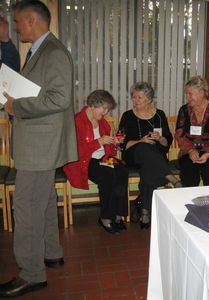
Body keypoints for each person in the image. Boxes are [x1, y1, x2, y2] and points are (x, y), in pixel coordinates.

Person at [0, 1, 77, 298]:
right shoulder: (41, 50)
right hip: (40, 142)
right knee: (43, 199)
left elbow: (59, 99)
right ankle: (51, 253)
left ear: (32, 20)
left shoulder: (53, 52)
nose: (17, 26)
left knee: (26, 206)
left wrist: (15, 106)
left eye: (18, 21)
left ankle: (31, 274)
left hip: (40, 144)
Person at [64, 90, 129, 234]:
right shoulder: (76, 121)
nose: (105, 112)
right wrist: (98, 141)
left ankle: (118, 215)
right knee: (107, 174)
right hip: (84, 162)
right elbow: (75, 151)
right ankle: (105, 218)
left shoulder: (103, 123)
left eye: (107, 109)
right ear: (93, 105)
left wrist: (115, 143)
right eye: (103, 108)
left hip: (102, 158)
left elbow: (109, 149)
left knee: (122, 170)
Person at [119, 82, 181, 229]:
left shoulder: (159, 115)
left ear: (148, 99)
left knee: (149, 167)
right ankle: (171, 177)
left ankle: (145, 211)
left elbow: (167, 141)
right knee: (144, 147)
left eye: (139, 98)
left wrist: (159, 138)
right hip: (133, 155)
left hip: (155, 158)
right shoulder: (127, 116)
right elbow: (121, 143)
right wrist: (140, 141)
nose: (134, 101)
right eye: (133, 97)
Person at [175, 75, 209, 187]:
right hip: (188, 151)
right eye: (187, 94)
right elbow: (179, 134)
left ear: (202, 92)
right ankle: (188, 201)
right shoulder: (184, 110)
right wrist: (190, 150)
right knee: (189, 169)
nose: (187, 97)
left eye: (190, 94)